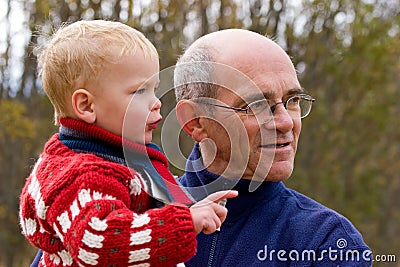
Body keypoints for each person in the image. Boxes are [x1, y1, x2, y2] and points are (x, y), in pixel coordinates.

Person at [19, 20, 237, 267]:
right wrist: (186, 221)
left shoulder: (117, 156)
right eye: (139, 92)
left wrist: (191, 206)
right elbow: (98, 242)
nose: (156, 103)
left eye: (154, 89)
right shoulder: (81, 175)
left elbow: (142, 212)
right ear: (86, 106)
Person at [173, 29, 372, 266]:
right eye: (257, 105)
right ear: (195, 122)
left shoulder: (325, 242)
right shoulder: (137, 221)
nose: (286, 122)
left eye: (293, 101)